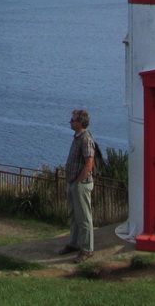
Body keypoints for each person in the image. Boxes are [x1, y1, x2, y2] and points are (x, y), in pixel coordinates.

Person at [60, 108, 95, 260]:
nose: (70, 121)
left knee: (84, 217)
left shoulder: (86, 139)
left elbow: (89, 164)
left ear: (81, 122)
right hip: (73, 182)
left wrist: (78, 182)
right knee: (74, 215)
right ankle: (74, 244)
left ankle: (87, 249)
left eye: (73, 119)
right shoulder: (77, 137)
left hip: (81, 184)